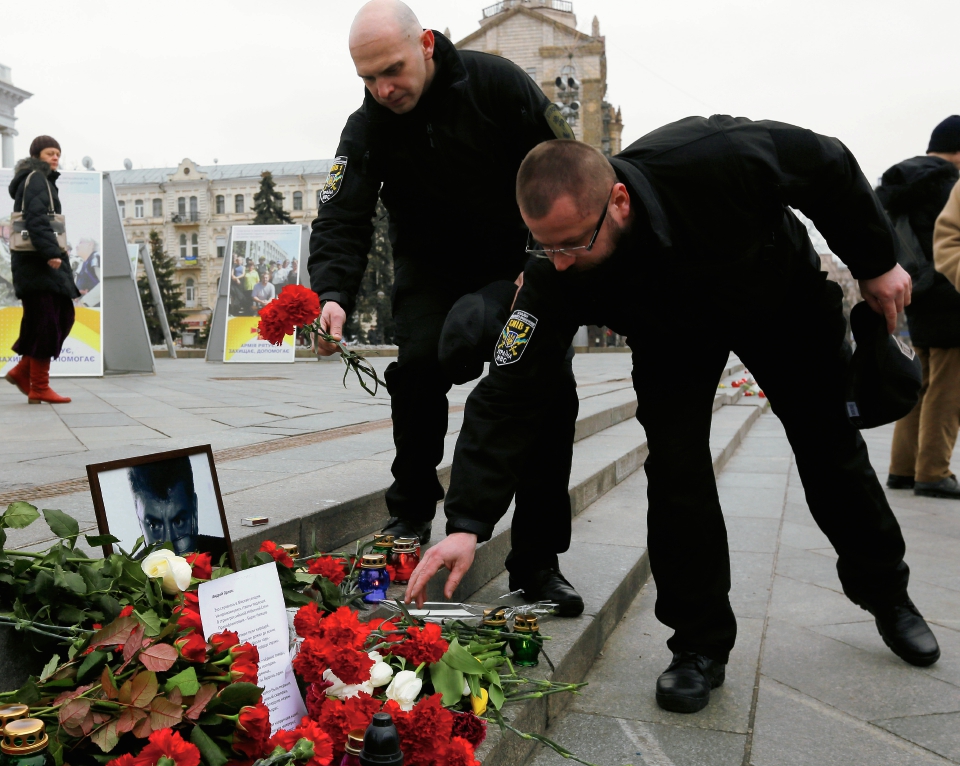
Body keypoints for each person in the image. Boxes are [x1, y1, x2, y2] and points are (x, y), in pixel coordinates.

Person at [407, 119, 941, 715]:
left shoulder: (713, 157)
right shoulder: (552, 269)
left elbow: (826, 163)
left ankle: (888, 594)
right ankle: (697, 646)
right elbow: (508, 390)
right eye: (544, 246)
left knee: (829, 449)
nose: (557, 263)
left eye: (573, 245)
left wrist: (875, 261)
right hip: (672, 337)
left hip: (775, 297)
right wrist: (467, 522)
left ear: (619, 200)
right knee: (677, 473)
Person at [307, 0, 582, 608]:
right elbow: (341, 213)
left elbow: (567, 172)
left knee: (546, 394)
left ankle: (537, 561)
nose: (384, 89)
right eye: (368, 79)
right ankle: (408, 517)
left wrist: (541, 265)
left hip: (521, 266)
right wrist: (331, 293)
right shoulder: (367, 125)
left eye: (393, 70)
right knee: (420, 370)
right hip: (431, 271)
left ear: (426, 44)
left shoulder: (498, 86)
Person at [881, 115, 960, 499]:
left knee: (922, 386)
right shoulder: (948, 185)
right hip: (952, 297)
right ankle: (933, 471)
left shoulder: (907, 182)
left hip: (917, 296)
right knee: (948, 392)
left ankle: (902, 468)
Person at [3, 135, 79, 405]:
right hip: (37, 263)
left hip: (38, 264)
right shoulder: (36, 177)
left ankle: (23, 372)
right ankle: (39, 385)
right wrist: (50, 252)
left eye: (58, 153)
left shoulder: (41, 180)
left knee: (57, 317)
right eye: (49, 153)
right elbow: (36, 218)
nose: (55, 157)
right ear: (37, 156)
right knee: (46, 321)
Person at [129, 459, 199, 554]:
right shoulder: (121, 569)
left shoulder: (225, 554)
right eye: (154, 525)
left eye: (178, 522)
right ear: (138, 517)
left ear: (194, 512)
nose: (170, 550)